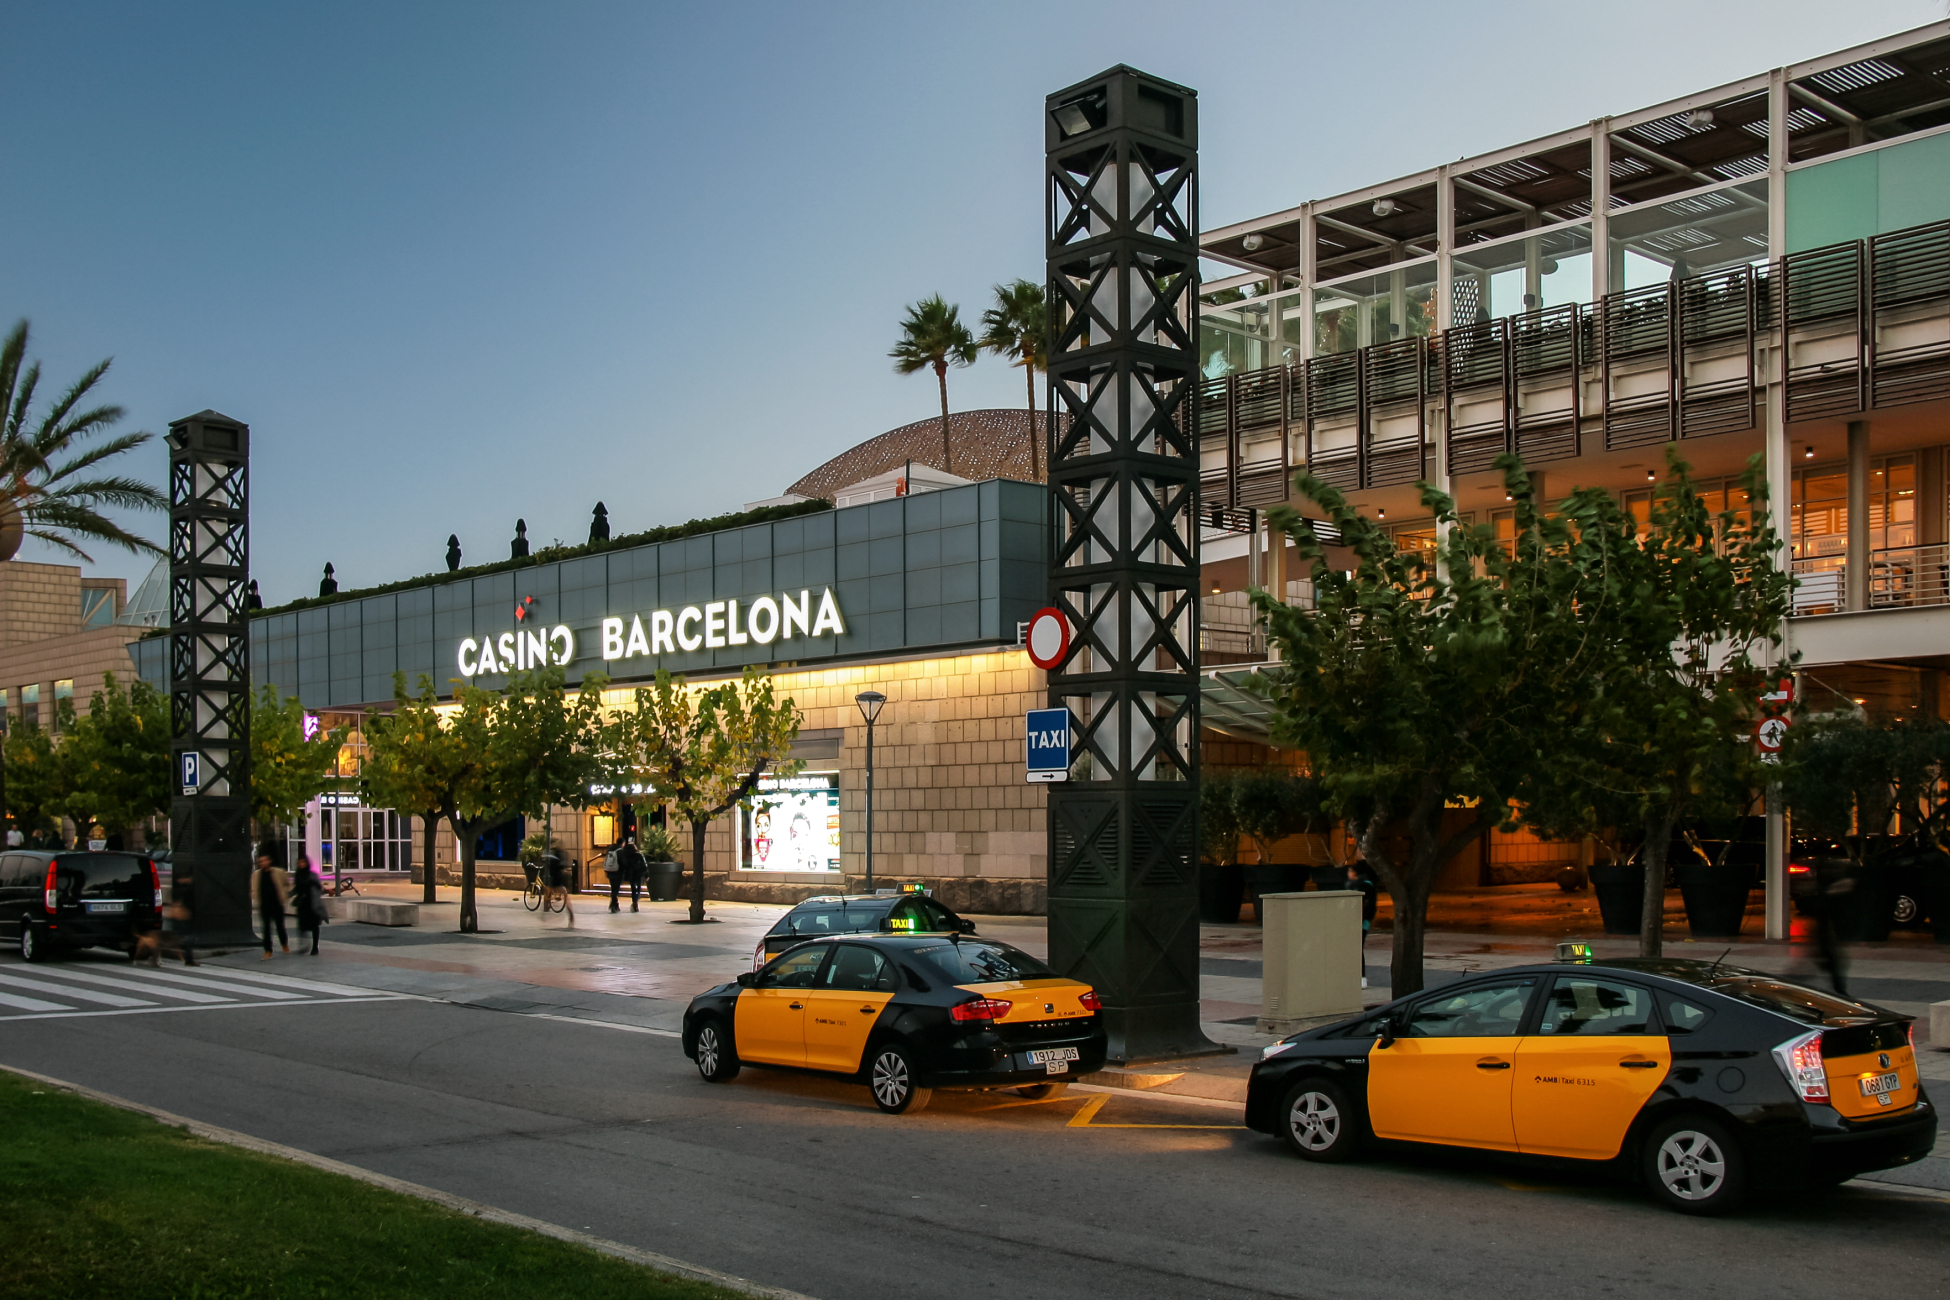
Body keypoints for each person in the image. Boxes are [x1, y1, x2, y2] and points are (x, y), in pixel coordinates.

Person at [251, 846, 291, 959]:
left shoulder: (278, 872)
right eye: (260, 861)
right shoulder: (256, 875)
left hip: (277, 903)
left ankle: (284, 944)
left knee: (280, 926)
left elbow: (287, 884)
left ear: (269, 861)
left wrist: (284, 895)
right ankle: (268, 950)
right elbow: (254, 888)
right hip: (264, 904)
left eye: (264, 861)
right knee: (266, 928)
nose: (262, 863)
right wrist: (254, 896)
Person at [292, 853, 327, 956]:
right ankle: (303, 946)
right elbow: (296, 889)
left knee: (314, 926)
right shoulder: (298, 875)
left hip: (312, 903)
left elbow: (319, 888)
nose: (301, 864)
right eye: (299, 862)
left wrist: (313, 884)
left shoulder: (312, 875)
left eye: (303, 862)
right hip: (302, 904)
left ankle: (315, 947)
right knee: (301, 926)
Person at [615, 837, 647, 913]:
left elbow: (624, 865)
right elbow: (644, 865)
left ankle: (634, 901)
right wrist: (646, 875)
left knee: (633, 888)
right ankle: (635, 902)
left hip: (631, 874)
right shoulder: (639, 855)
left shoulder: (626, 856)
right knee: (638, 888)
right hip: (639, 874)